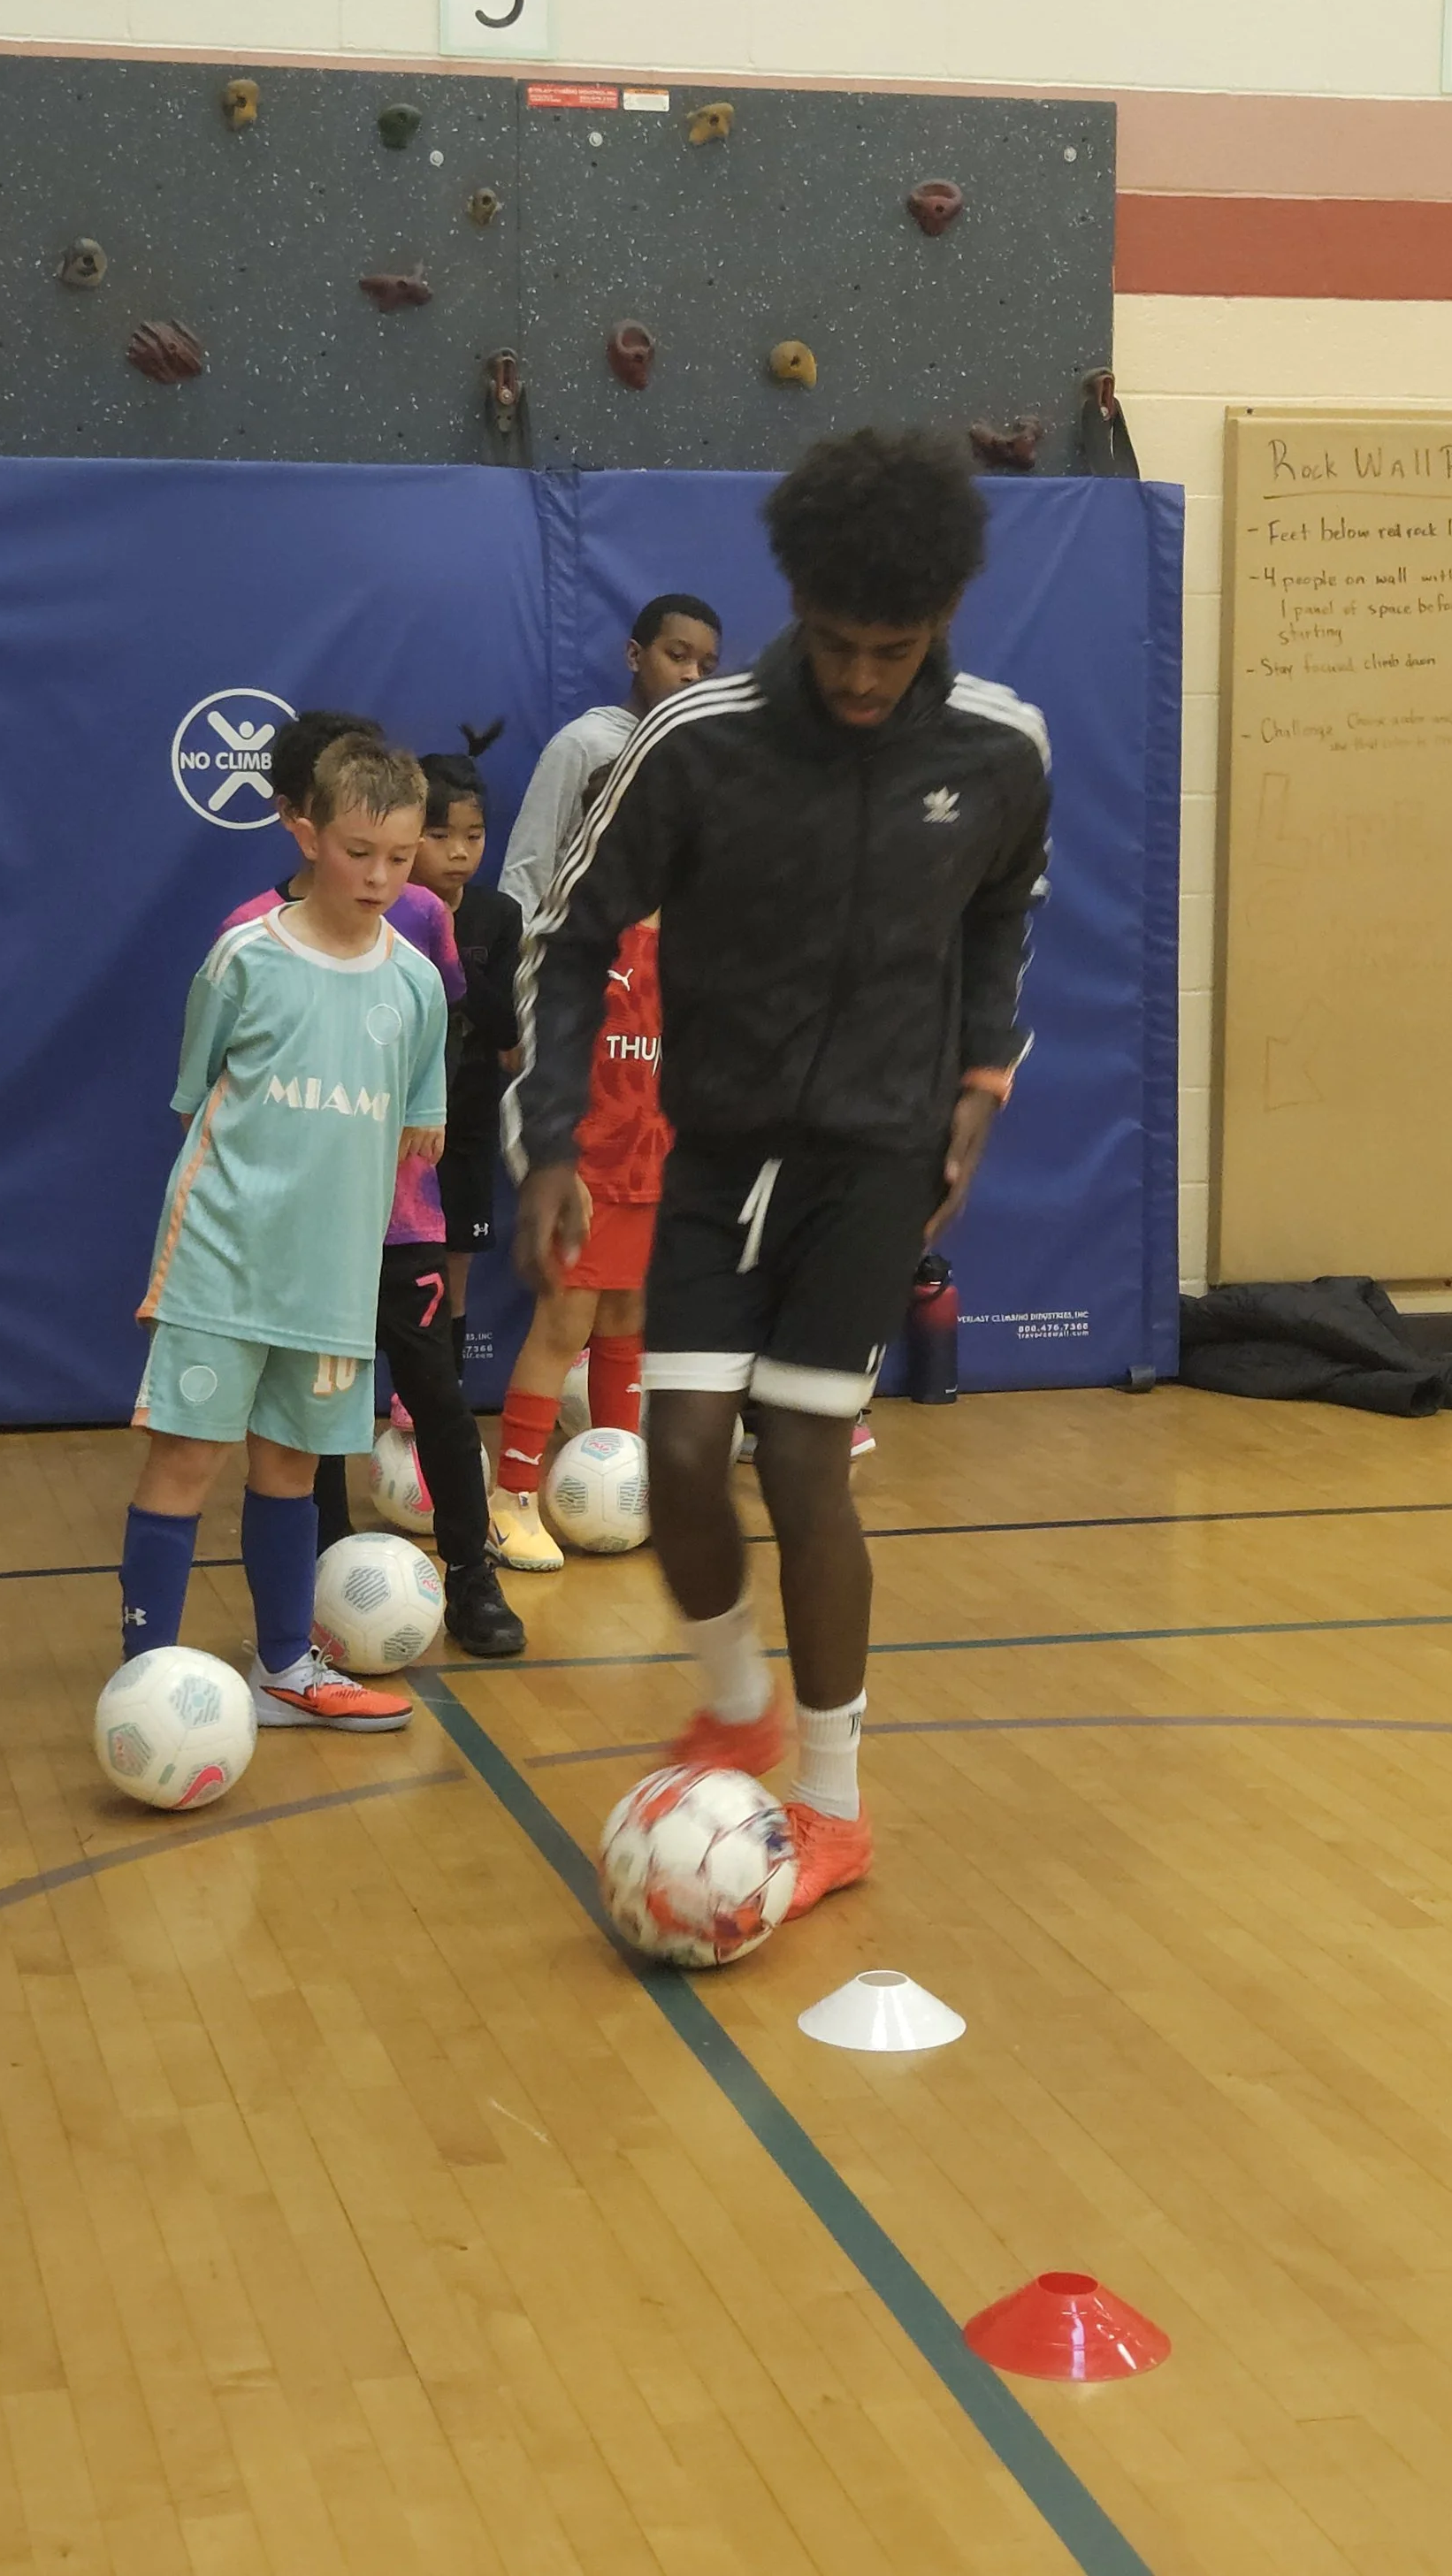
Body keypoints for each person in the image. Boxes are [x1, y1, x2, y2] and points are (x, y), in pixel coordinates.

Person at [508, 431, 1051, 1916]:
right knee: (681, 1455)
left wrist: (984, 1069)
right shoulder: (702, 741)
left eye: (893, 646)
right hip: (719, 1143)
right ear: (793, 607)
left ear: (940, 617)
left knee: (804, 1460)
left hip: (876, 1159)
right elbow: (561, 937)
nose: (864, 675)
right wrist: (551, 1135)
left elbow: (1003, 910)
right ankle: (735, 1696)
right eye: (835, 641)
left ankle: (832, 1802)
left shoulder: (1002, 749)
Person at [118, 732, 448, 1731]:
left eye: (401, 856)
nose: (381, 877)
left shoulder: (417, 987)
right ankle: (145, 1682)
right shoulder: (244, 958)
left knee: (293, 1472)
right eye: (358, 852)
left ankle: (281, 1669)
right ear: (305, 833)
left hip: (332, 1289)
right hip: (222, 1265)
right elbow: (196, 1104)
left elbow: (415, 1137)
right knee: (184, 1460)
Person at [225, 709, 525, 1661]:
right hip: (298, 1228)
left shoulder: (424, 921)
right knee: (309, 1407)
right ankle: (317, 1582)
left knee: (434, 1389)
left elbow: (433, 1024)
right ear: (303, 822)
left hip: (400, 1218)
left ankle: (472, 1576)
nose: (382, 872)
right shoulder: (249, 937)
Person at [491, 849, 667, 1571]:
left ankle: (623, 1482)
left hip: (655, 1166)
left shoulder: (700, 943)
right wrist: (550, 1160)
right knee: (564, 1324)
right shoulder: (573, 945)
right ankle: (512, 1498)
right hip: (583, 1174)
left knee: (628, 1317)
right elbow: (530, 1067)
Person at [496, 594, 722, 924]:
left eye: (706, 668)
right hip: (583, 954)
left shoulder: (699, 758)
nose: (692, 675)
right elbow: (529, 867)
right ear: (634, 655)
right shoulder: (584, 743)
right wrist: (521, 962)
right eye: (677, 656)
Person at [410, 727, 523, 1360]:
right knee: (395, 1266)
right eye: (440, 835)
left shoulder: (498, 916)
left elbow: (504, 1023)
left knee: (454, 1270)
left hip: (469, 1117)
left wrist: (448, 937)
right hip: (397, 1119)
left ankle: (441, 1399)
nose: (458, 852)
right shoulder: (384, 909)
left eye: (473, 837)